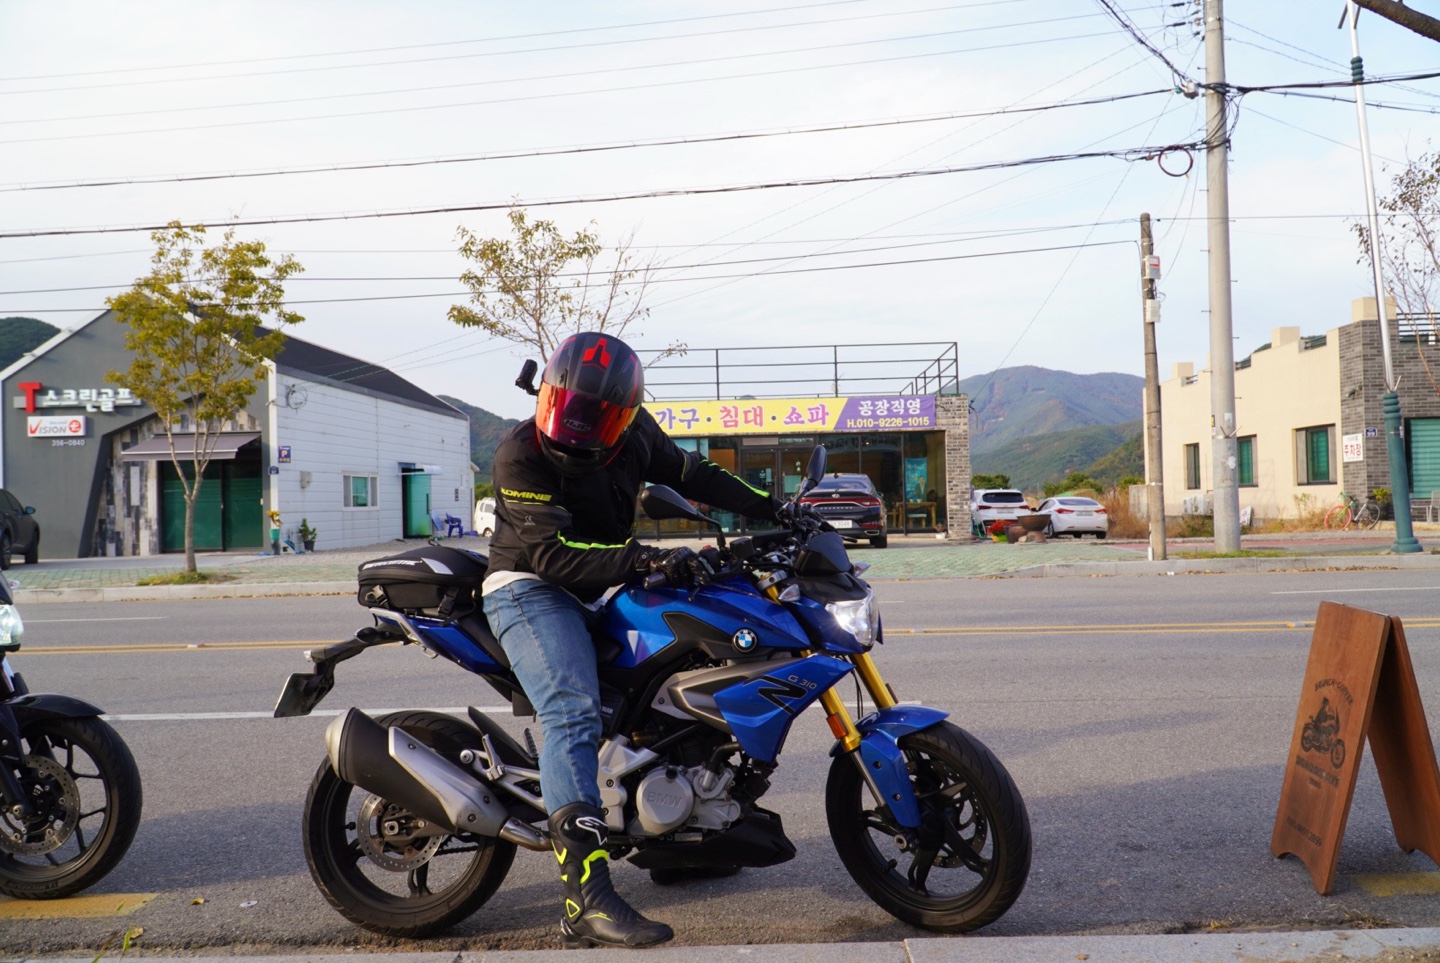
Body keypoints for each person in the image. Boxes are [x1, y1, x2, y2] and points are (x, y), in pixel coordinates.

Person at [481, 331, 779, 949]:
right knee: (572, 711)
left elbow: (694, 473)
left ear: (626, 414)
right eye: (567, 407)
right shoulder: (519, 452)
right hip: (531, 588)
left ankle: (677, 841)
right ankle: (583, 900)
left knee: (677, 683)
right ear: (545, 392)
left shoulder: (639, 432)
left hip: (605, 583)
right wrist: (643, 557)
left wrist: (777, 510)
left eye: (597, 416)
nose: (577, 429)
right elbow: (551, 554)